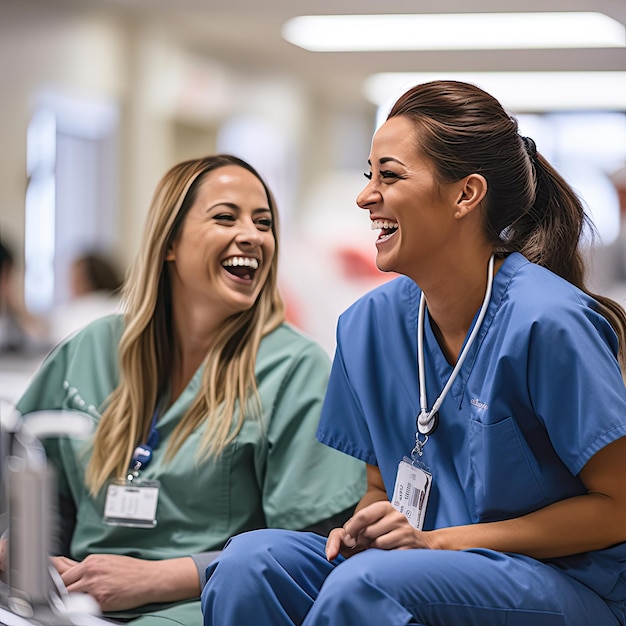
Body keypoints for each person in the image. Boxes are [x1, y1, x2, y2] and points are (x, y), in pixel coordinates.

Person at [200, 81, 626, 626]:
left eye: (390, 176)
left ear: (465, 195)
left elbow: (618, 506)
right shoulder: (368, 327)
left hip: (562, 581)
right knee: (249, 563)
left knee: (369, 585)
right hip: (416, 564)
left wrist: (442, 543)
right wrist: (371, 526)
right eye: (368, 176)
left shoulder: (548, 321)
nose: (365, 196)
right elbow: (380, 487)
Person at [6, 154, 365, 625]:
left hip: (201, 603)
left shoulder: (294, 368)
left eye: (264, 223)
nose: (253, 235)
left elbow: (308, 550)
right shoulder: (92, 349)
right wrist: (36, 559)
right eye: (225, 217)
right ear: (170, 241)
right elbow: (47, 483)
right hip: (75, 598)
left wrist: (161, 577)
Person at [49, 250, 124, 345]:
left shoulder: (77, 312)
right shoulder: (121, 305)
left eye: (75, 279)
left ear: (88, 282)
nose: (70, 285)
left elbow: (47, 331)